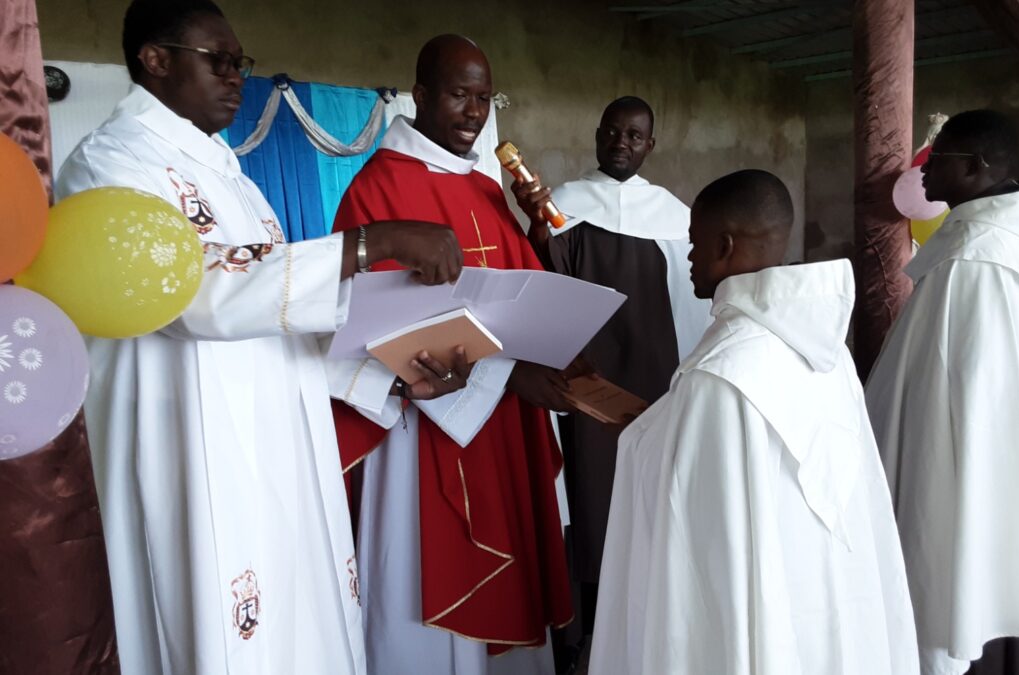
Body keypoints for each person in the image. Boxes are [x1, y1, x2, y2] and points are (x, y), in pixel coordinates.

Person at [55, 2, 463, 673]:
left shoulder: (227, 172)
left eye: (238, 62)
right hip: (193, 446)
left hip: (277, 446)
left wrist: (387, 373)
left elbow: (274, 314)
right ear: (154, 61)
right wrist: (370, 242)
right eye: (217, 61)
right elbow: (196, 292)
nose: (235, 76)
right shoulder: (109, 165)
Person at [590, 170, 920, 675]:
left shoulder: (720, 373)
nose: (690, 258)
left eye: (694, 244)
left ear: (725, 245)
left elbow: (691, 527)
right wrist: (658, 424)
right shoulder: (826, 350)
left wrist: (636, 436)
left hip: (764, 601)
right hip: (820, 589)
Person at [329, 34, 573, 675]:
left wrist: (536, 233)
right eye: (460, 95)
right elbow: (377, 332)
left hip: (498, 418)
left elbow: (520, 290)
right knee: (421, 577)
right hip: (419, 427)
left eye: (483, 98)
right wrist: (508, 373)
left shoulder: (489, 190)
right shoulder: (377, 189)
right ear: (422, 95)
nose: (473, 112)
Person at [865, 110, 1019, 675]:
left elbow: (953, 401)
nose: (925, 170)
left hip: (960, 470)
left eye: (939, 160)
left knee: (955, 570)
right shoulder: (999, 240)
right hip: (990, 463)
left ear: (979, 167)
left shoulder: (976, 258)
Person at [512, 97, 710, 653]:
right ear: (598, 136)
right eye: (613, 132)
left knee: (649, 496)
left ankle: (650, 616)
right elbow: (546, 279)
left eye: (636, 135)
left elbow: (691, 300)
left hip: (653, 378)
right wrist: (538, 228)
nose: (623, 143)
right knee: (590, 495)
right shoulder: (566, 207)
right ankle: (588, 632)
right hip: (585, 378)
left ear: (651, 145)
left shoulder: (674, 216)